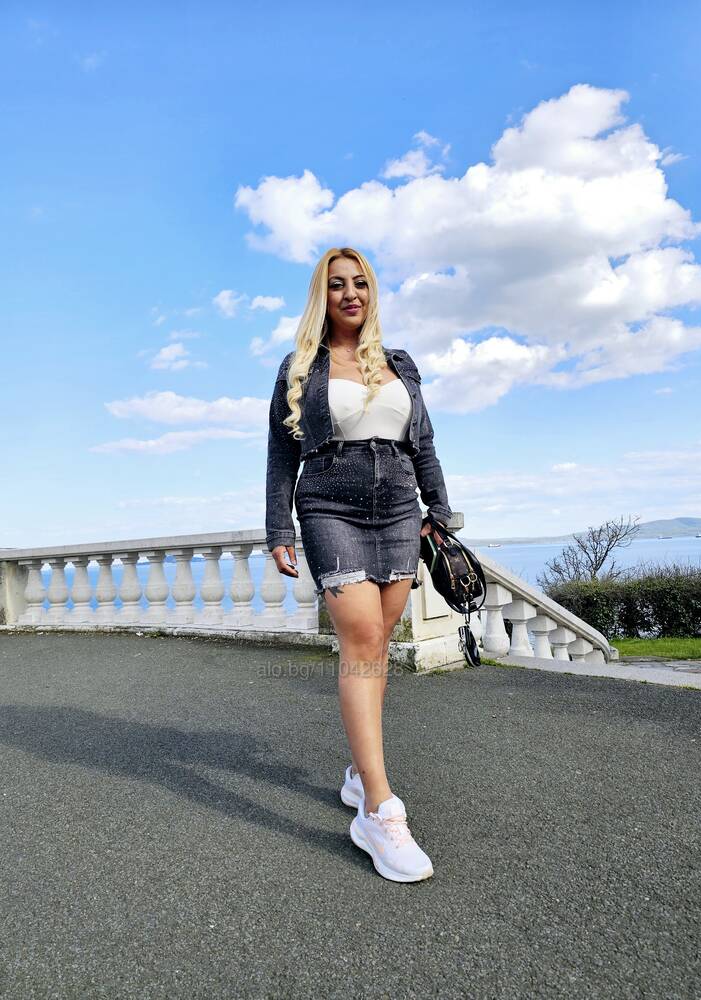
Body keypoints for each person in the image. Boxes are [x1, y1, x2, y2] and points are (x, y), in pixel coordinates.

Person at [264, 246, 453, 883]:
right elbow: (280, 455)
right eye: (338, 284)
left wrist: (439, 509)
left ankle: (356, 771)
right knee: (363, 637)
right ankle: (379, 807)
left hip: (399, 507)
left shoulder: (400, 364)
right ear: (322, 296)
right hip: (329, 505)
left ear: (372, 293)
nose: (351, 294)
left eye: (361, 283)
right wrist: (279, 527)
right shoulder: (301, 367)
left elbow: (424, 444)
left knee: (379, 641)